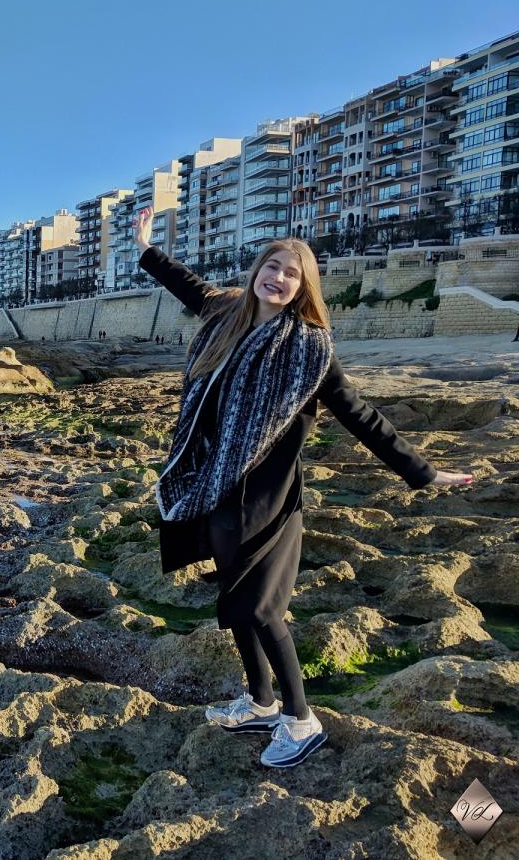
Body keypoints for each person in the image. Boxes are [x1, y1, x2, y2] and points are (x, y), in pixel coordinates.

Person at [131, 206, 474, 769]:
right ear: (257, 271)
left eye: (292, 272)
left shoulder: (311, 349)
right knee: (235, 604)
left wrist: (423, 472)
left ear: (303, 285)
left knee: (262, 608)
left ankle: (301, 720)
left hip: (267, 498)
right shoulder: (225, 314)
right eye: (272, 265)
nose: (279, 277)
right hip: (216, 485)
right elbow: (183, 283)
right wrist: (146, 247)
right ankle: (260, 703)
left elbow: (360, 416)